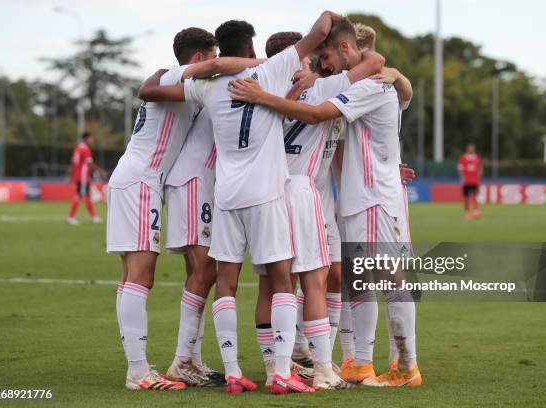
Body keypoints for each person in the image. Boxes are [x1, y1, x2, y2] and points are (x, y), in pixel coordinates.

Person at [139, 11, 342, 395]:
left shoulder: (208, 87)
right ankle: (281, 370)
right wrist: (334, 18)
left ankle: (233, 371)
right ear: (250, 47)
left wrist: (213, 66)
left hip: (227, 197)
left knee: (226, 284)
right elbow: (320, 29)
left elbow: (154, 90)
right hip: (266, 194)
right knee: (282, 281)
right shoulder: (272, 72)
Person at [227, 17, 422, 388]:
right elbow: (343, 135)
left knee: (390, 277)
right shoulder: (350, 86)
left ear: (346, 49)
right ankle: (360, 364)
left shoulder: (370, 86)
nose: (322, 65)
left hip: (375, 196)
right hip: (356, 196)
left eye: (326, 57)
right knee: (357, 281)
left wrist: (262, 96)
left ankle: (405, 363)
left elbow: (324, 111)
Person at [107, 26, 261, 391]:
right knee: (141, 275)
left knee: (139, 274)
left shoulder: (186, 86)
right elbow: (152, 86)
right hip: (143, 181)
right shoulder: (175, 76)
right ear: (197, 59)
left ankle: (167, 362)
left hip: (144, 180)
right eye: (212, 56)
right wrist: (268, 61)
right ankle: (140, 371)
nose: (217, 63)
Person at [67, 131, 107, 225]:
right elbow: (89, 163)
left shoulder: (77, 148)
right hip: (83, 177)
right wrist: (101, 171)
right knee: (79, 195)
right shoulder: (85, 149)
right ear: (85, 139)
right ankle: (71, 218)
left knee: (87, 196)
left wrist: (71, 175)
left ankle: (94, 217)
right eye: (90, 138)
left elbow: (74, 163)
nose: (92, 140)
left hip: (79, 176)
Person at [458, 143, 483, 220]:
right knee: (466, 198)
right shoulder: (463, 158)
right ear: (467, 149)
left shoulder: (477, 158)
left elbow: (480, 169)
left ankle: (476, 211)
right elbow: (460, 169)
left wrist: (479, 177)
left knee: (475, 196)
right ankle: (467, 213)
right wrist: (462, 177)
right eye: (469, 148)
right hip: (466, 181)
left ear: (474, 149)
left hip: (474, 181)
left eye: (472, 148)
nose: (471, 149)